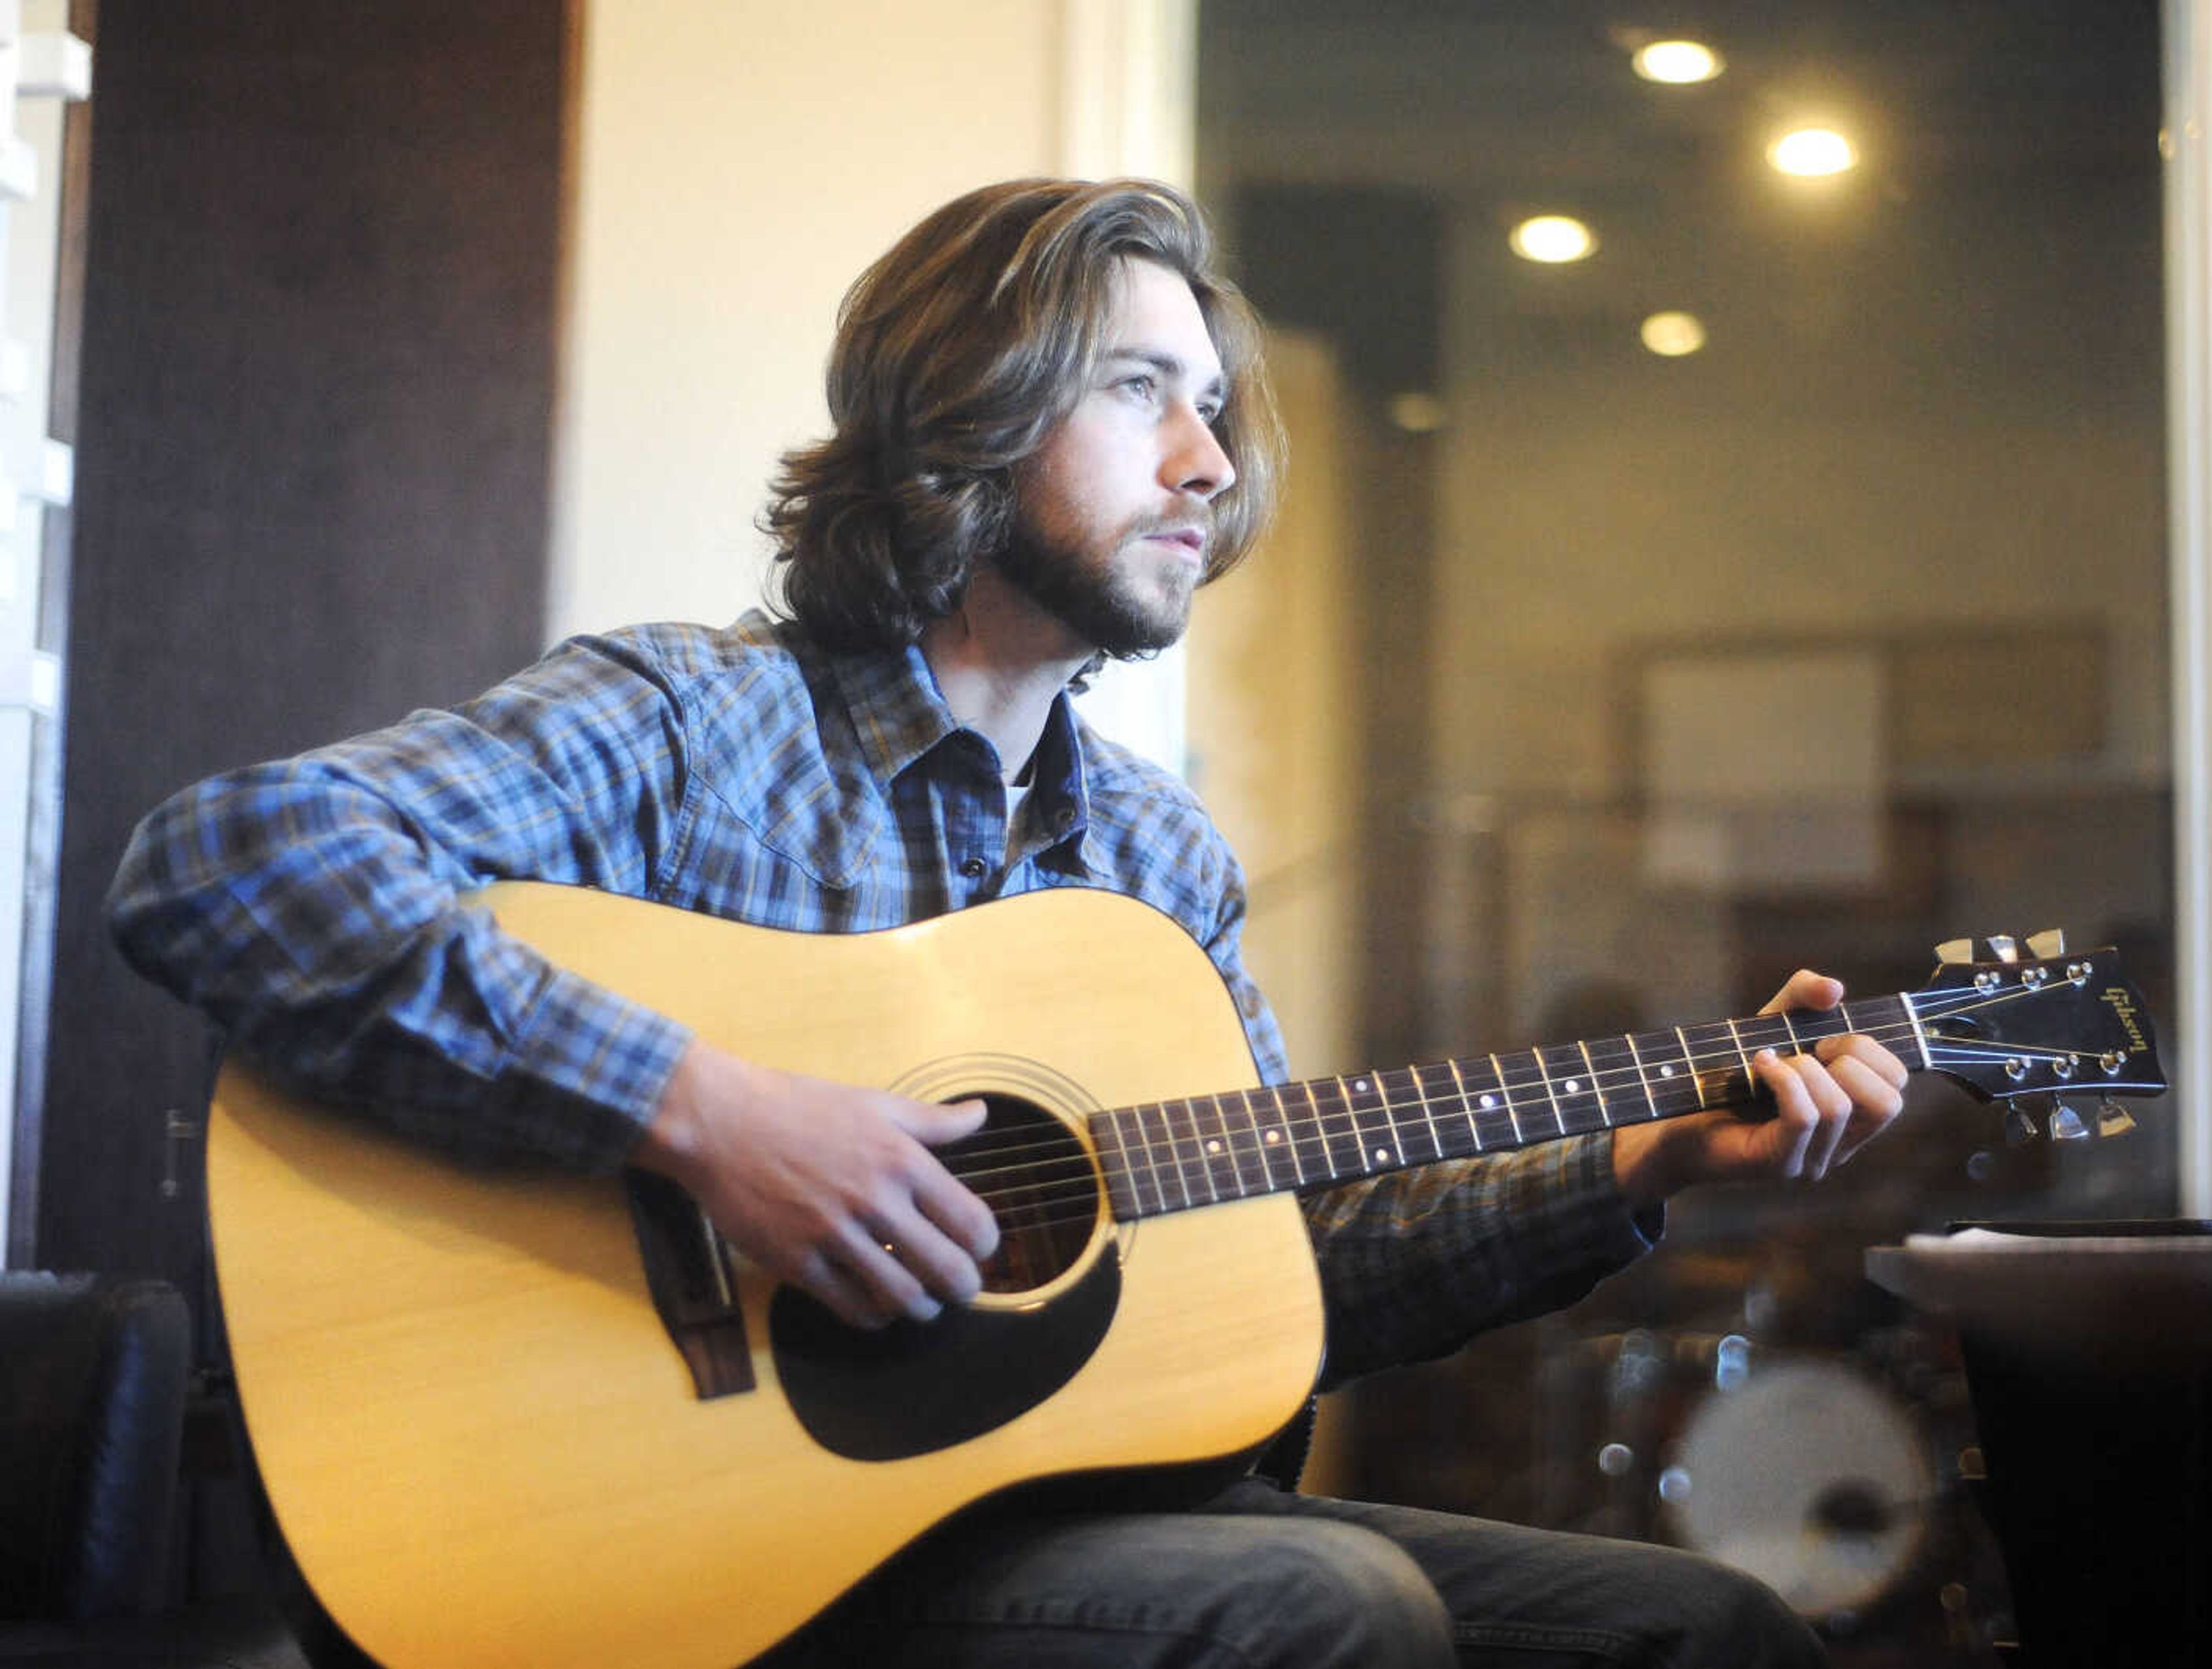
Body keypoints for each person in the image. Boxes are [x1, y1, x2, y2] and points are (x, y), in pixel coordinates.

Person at [108, 178, 1908, 1668]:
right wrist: (709, 1116)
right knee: (1320, 1606)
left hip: (1062, 1520)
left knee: (1709, 1630)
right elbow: (231, 858)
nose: (1209, 463)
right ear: (963, 406)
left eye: (1213, 405)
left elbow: (1280, 1287)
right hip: (680, 1544)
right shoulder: (696, 727)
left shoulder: (1157, 862)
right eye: (1143, 390)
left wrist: (1637, 1158)